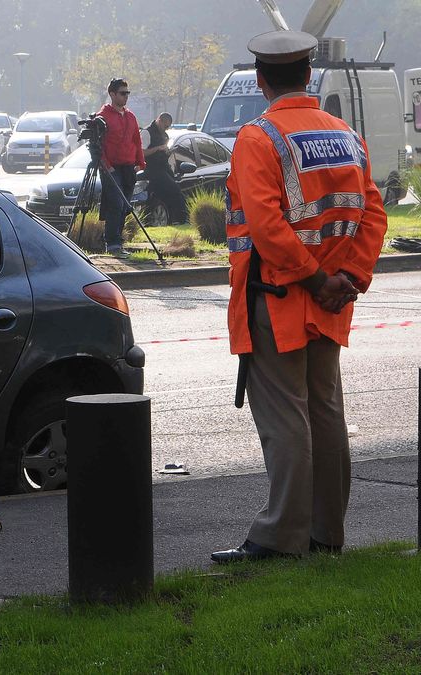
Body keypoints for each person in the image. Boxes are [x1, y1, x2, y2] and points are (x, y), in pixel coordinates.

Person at [211, 31, 387, 563]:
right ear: (309, 75)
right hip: (330, 300)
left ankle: (278, 538)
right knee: (325, 412)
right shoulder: (346, 135)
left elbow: (265, 227)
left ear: (261, 79)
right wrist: (346, 279)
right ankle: (326, 533)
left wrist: (312, 280)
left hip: (280, 296)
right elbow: (374, 215)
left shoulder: (257, 138)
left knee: (286, 417)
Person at [97, 78, 145, 258]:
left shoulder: (131, 116)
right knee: (115, 203)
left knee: (125, 205)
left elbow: (136, 140)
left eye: (127, 93)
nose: (126, 97)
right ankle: (113, 243)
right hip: (112, 168)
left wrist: (140, 162)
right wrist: (106, 165)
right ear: (112, 94)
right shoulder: (103, 116)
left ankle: (118, 240)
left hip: (128, 166)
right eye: (123, 93)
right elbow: (98, 144)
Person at [140, 112, 189, 225]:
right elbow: (141, 153)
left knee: (170, 193)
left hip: (163, 167)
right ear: (159, 120)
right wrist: (158, 148)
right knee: (175, 191)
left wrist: (167, 151)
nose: (166, 129)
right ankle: (182, 218)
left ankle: (172, 219)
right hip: (152, 169)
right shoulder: (147, 132)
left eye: (168, 127)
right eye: (165, 126)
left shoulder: (164, 135)